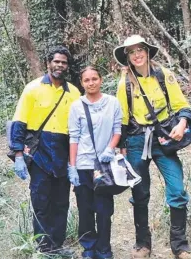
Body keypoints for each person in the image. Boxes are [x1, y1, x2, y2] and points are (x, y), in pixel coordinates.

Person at [114, 35, 191, 259]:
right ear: (127, 57)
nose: (137, 55)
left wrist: (182, 123)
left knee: (177, 189)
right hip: (136, 140)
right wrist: (121, 148)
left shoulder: (163, 75)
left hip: (163, 139)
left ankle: (179, 246)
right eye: (131, 52)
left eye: (140, 49)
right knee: (139, 193)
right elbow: (121, 119)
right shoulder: (125, 84)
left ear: (147, 51)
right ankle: (143, 244)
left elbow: (182, 106)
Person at [9, 46, 81, 257]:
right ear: (48, 63)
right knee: (41, 200)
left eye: (64, 62)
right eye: (56, 61)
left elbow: (78, 127)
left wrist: (73, 162)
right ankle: (43, 248)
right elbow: (19, 123)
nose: (60, 65)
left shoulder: (74, 92)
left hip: (63, 150)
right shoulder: (33, 88)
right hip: (39, 150)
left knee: (61, 201)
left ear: (68, 66)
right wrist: (18, 155)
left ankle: (56, 245)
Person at [67, 66, 122, 259]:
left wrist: (110, 148)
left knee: (104, 210)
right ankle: (88, 248)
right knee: (85, 209)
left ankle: (104, 249)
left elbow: (117, 130)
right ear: (81, 83)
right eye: (87, 80)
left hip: (104, 166)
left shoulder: (113, 102)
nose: (91, 83)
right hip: (83, 164)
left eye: (94, 79)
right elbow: (73, 137)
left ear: (101, 80)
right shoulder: (76, 106)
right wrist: (72, 166)